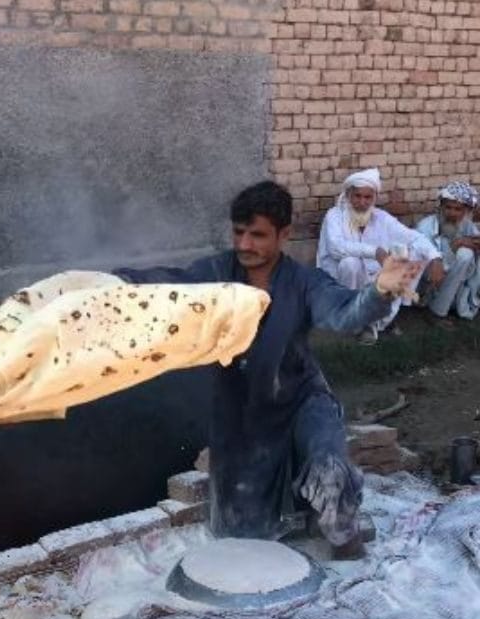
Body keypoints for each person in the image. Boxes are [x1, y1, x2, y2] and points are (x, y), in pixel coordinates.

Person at [114, 181, 423, 554]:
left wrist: (379, 290)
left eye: (257, 235)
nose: (245, 245)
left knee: (328, 471)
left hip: (302, 398)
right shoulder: (215, 273)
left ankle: (343, 539)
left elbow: (345, 313)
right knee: (242, 537)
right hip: (243, 412)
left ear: (284, 234)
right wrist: (114, 285)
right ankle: (276, 515)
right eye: (239, 233)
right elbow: (167, 288)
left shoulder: (305, 283)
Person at [315, 167, 443, 343]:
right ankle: (354, 320)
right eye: (357, 196)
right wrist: (375, 252)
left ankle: (378, 320)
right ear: (348, 195)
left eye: (367, 197)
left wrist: (436, 258)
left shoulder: (381, 217)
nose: (362, 202)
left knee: (411, 254)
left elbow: (413, 237)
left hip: (372, 275)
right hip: (340, 279)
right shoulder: (334, 216)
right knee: (350, 263)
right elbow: (336, 248)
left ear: (374, 198)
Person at [415, 181, 480, 320]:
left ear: (466, 211)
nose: (452, 213)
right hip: (427, 280)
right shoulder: (425, 227)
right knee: (465, 255)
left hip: (453, 280)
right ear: (441, 207)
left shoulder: (466, 225)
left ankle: (453, 301)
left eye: (458, 209)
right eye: (448, 208)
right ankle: (438, 311)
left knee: (469, 253)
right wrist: (455, 247)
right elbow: (426, 265)